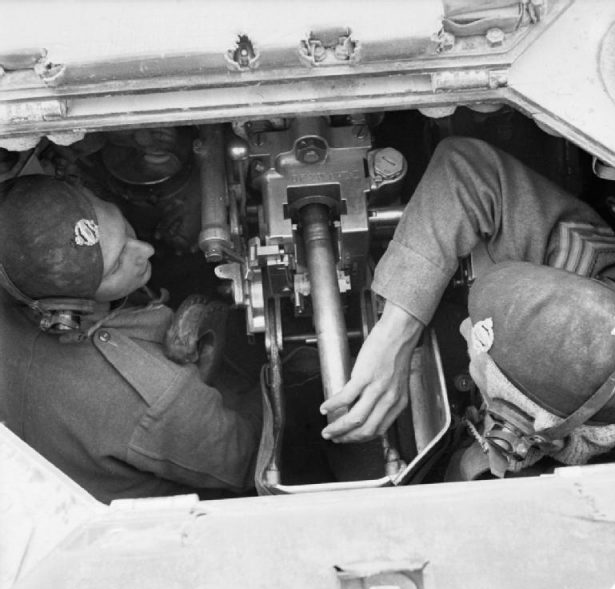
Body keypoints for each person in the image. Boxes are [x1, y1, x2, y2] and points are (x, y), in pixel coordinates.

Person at [320, 136, 615, 474]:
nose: (464, 326)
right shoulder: (581, 264)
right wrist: (395, 335)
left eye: (481, 341)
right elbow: (466, 166)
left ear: (520, 424)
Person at [0, 175, 261, 504]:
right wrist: (283, 375)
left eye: (124, 226)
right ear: (67, 309)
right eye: (116, 265)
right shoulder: (156, 399)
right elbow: (249, 459)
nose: (147, 250)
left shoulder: (13, 265)